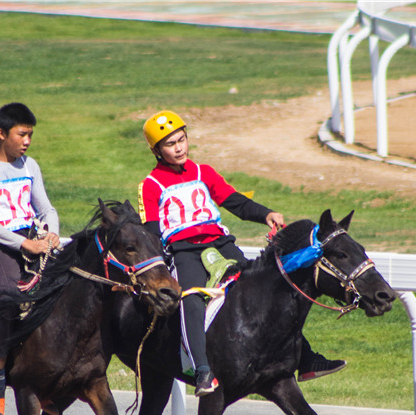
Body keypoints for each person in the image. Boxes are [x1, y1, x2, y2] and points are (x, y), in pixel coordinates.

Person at [137, 110, 345, 397]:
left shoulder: (204, 172)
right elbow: (150, 231)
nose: (179, 148)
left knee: (265, 291)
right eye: (170, 144)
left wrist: (266, 214)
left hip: (220, 243)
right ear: (156, 151)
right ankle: (202, 371)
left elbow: (234, 201)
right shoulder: (151, 185)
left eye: (181, 140)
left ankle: (307, 358)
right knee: (191, 300)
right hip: (184, 252)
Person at [0, 102, 61, 415]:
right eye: (22, 134)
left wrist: (51, 232)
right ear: (1, 133)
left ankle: (43, 375)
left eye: (30, 135)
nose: (27, 141)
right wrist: (24, 244)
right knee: (10, 296)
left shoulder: (30, 165)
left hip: (33, 239)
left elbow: (46, 208)